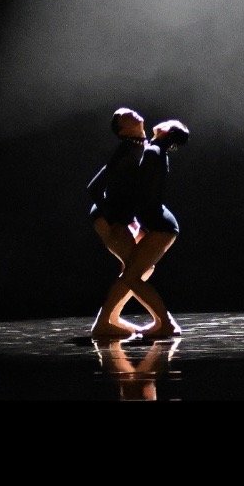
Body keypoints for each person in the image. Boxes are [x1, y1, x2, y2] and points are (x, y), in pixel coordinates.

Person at [87, 109, 190, 340]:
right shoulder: (127, 150)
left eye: (131, 111)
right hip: (108, 219)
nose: (131, 113)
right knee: (135, 272)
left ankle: (108, 321)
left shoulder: (143, 148)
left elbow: (139, 195)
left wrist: (133, 221)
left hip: (123, 219)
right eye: (125, 115)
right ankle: (162, 323)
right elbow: (94, 188)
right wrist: (115, 220)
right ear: (122, 130)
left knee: (137, 270)